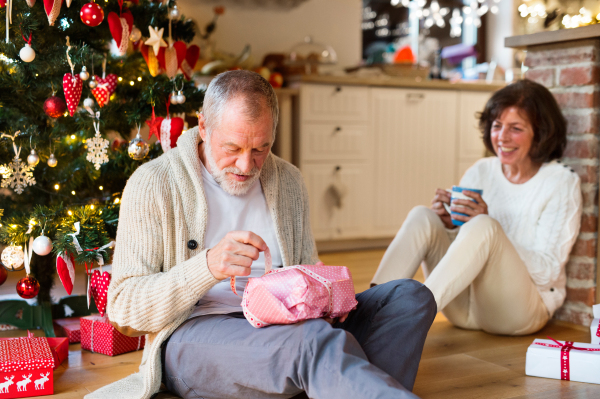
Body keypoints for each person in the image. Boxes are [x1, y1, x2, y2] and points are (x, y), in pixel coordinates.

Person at [85, 70, 436, 399]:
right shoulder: (154, 183)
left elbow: (307, 270)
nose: (246, 165)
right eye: (233, 148)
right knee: (311, 342)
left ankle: (327, 378)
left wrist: (325, 294)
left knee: (410, 297)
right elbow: (124, 310)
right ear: (204, 127)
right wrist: (206, 267)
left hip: (289, 323)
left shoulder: (288, 181)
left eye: (260, 149)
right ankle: (328, 374)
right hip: (195, 334)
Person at [371, 79, 582, 336]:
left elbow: (548, 271)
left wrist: (491, 227)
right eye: (496, 126)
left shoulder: (560, 182)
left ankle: (407, 319)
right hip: (464, 309)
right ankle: (368, 311)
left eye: (515, 128)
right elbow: (467, 249)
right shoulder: (481, 171)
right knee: (423, 216)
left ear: (541, 132)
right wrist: (449, 225)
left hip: (520, 313)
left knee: (484, 225)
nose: (502, 137)